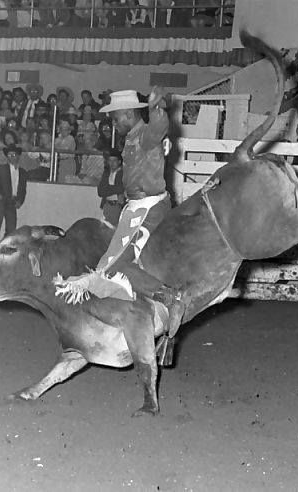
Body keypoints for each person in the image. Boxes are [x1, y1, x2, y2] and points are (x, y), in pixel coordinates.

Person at [55, 88, 184, 343]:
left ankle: (170, 298)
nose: (114, 123)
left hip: (149, 210)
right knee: (106, 266)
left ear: (128, 114)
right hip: (136, 208)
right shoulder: (133, 138)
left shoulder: (145, 135)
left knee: (115, 266)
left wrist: (156, 108)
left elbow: (159, 126)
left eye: (115, 118)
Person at [0, 144, 27, 252]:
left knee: (11, 229)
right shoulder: (2, 169)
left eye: (14, 155)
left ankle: (5, 251)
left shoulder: (22, 172)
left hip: (12, 201)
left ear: (18, 156)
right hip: (1, 201)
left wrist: (20, 201)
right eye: (9, 155)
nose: (12, 157)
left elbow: (23, 190)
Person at [97, 149, 125, 226]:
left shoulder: (123, 173)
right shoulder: (106, 173)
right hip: (107, 205)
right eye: (110, 160)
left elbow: (121, 188)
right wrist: (114, 189)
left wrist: (107, 188)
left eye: (114, 161)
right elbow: (100, 191)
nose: (112, 163)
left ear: (119, 162)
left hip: (118, 206)